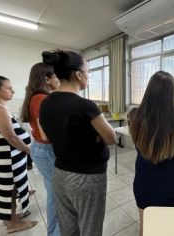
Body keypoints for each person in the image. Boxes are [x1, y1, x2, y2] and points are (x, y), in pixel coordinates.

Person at [39, 50, 116, 236]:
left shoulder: (46, 103)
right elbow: (111, 138)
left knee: (68, 227)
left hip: (60, 173)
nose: (88, 77)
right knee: (90, 227)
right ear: (78, 74)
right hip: (87, 177)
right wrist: (93, 136)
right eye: (88, 72)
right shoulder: (85, 105)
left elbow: (45, 136)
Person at [129, 71, 174, 236]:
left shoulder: (134, 116)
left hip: (145, 183)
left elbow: (139, 143)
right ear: (171, 93)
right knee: (173, 228)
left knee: (146, 227)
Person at [0, 75, 37, 233]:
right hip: (7, 160)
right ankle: (12, 224)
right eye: (8, 88)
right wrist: (28, 150)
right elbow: (11, 137)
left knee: (10, 190)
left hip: (9, 158)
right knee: (9, 191)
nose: (13, 91)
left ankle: (11, 219)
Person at [20, 62, 61, 236]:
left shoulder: (35, 97)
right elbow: (46, 135)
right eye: (56, 76)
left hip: (41, 150)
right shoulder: (42, 99)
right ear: (47, 79)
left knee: (54, 193)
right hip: (46, 151)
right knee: (56, 197)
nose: (59, 80)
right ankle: (55, 233)